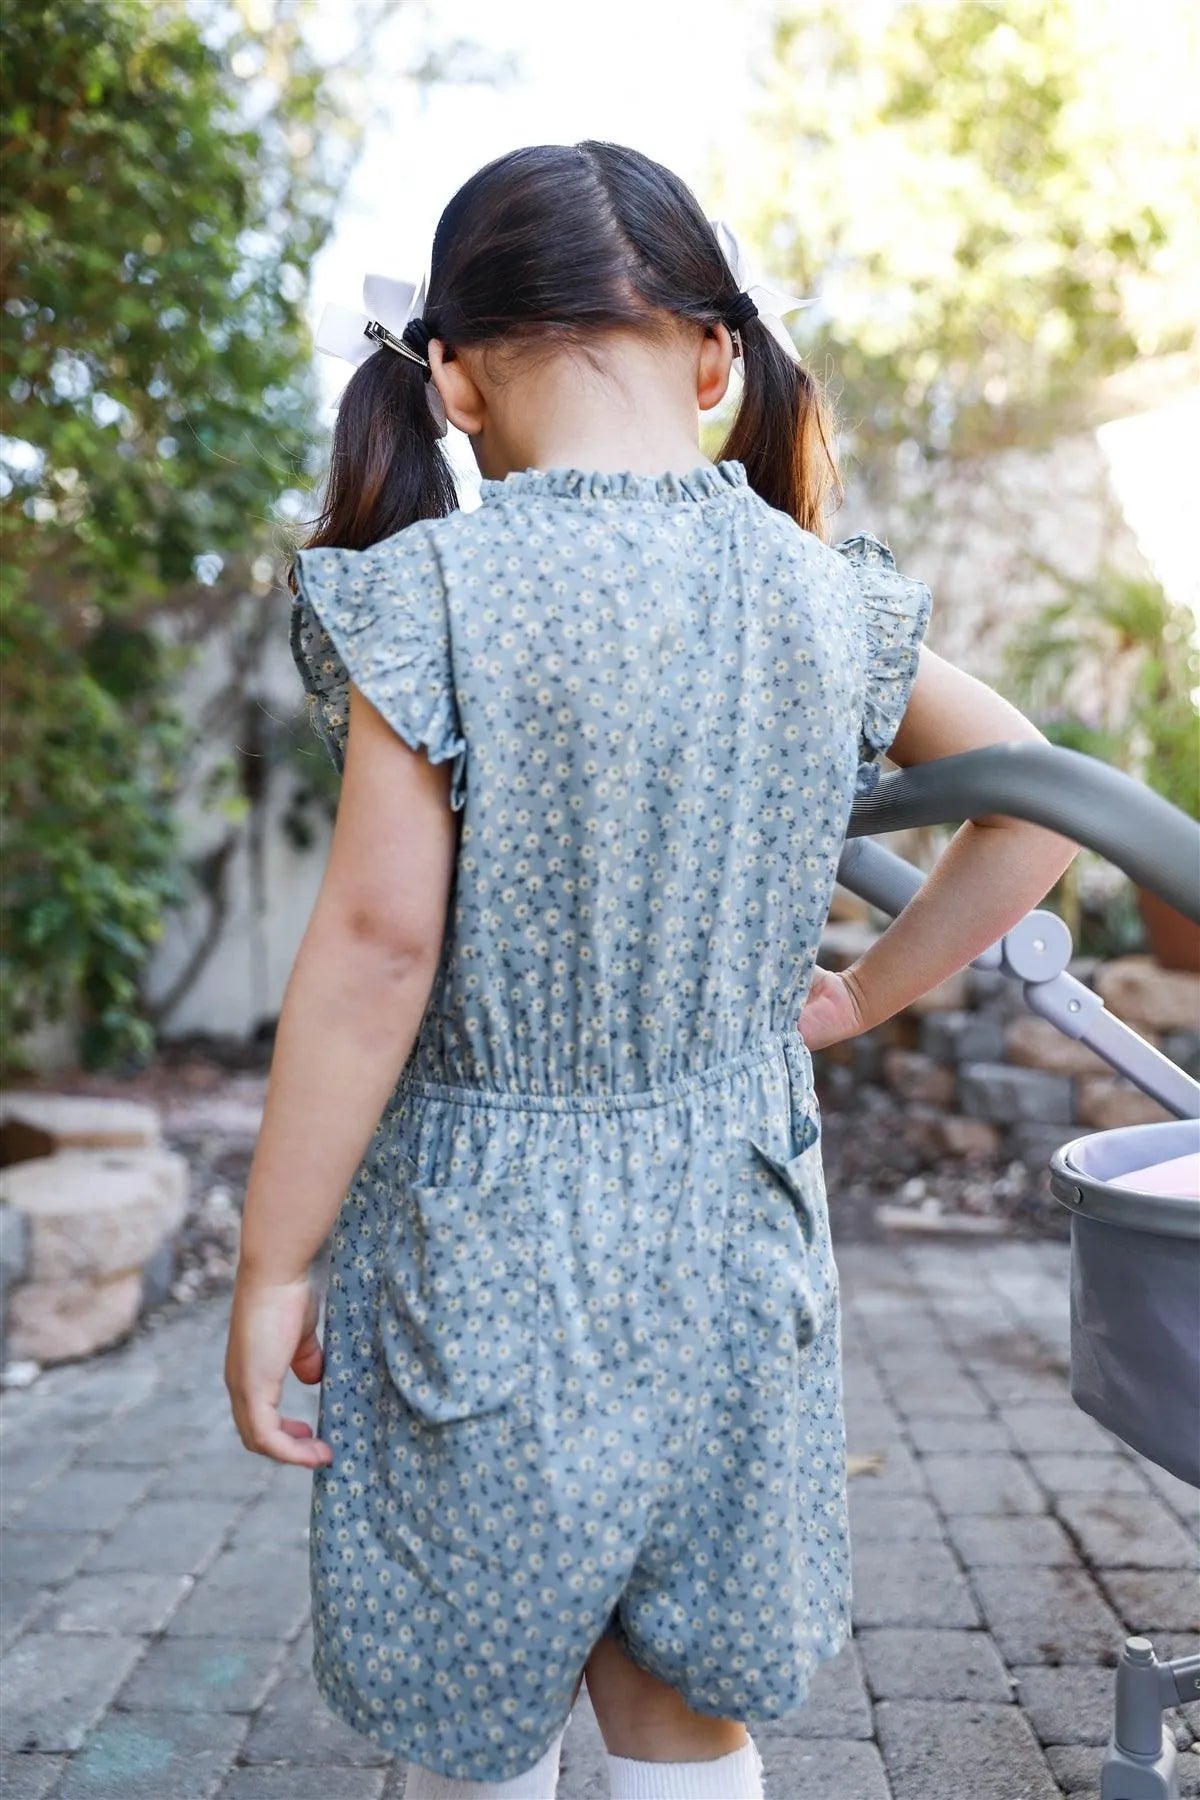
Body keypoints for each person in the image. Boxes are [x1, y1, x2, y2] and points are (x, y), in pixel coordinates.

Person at [223, 140, 1078, 1799]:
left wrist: (275, 1267)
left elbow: (379, 953)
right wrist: (861, 994)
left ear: (454, 382)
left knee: (484, 1676)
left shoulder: (436, 594)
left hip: (485, 1232)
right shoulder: (820, 596)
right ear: (712, 360)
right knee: (684, 1688)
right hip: (731, 1226)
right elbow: (1036, 807)